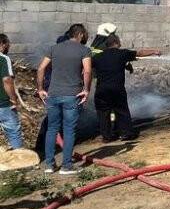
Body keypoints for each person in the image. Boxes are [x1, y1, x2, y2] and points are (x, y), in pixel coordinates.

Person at [36, 23, 91, 174]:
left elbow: (41, 68)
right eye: (85, 34)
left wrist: (40, 89)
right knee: (69, 130)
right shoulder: (84, 50)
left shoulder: (54, 48)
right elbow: (87, 71)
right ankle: (66, 166)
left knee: (52, 129)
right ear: (80, 34)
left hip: (52, 95)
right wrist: (86, 90)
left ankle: (49, 165)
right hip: (72, 95)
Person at [92, 34, 160, 142]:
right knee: (121, 110)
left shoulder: (97, 57)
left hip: (101, 89)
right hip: (117, 88)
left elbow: (87, 67)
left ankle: (107, 136)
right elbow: (139, 53)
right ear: (116, 42)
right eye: (119, 41)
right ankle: (126, 133)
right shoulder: (122, 53)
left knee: (103, 112)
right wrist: (154, 51)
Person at [0, 34, 23, 150]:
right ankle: (19, 158)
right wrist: (13, 99)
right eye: (7, 45)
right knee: (14, 133)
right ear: (2, 44)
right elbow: (7, 80)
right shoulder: (3, 59)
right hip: (3, 104)